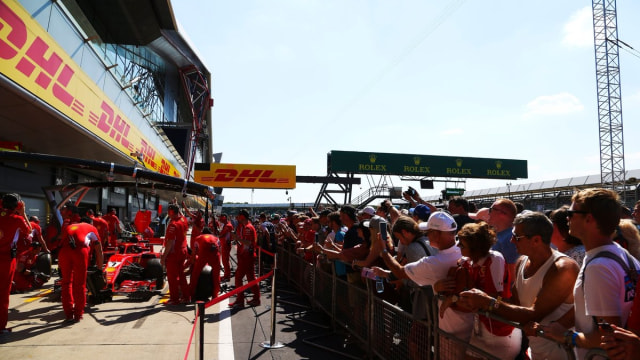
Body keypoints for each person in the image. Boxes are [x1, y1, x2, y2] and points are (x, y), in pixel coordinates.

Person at [459, 212, 580, 360]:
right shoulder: (521, 261)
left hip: (563, 353)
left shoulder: (563, 268)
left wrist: (487, 302)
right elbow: (514, 305)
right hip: (537, 349)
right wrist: (480, 301)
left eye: (516, 237)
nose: (511, 241)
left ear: (536, 240)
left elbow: (534, 314)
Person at [541, 188, 640, 359]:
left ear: (589, 219)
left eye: (571, 213)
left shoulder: (598, 267)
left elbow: (609, 335)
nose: (567, 218)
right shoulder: (621, 253)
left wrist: (566, 336)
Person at [372, 211, 473, 359]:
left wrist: (383, 250)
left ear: (437, 234)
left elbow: (400, 273)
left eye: (428, 231)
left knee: (418, 344)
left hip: (450, 327)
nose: (425, 234)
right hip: (470, 325)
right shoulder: (466, 251)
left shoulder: (434, 263)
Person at [441, 221, 520, 360]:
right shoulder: (466, 261)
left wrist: (455, 299)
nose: (458, 245)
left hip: (500, 330)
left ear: (475, 247)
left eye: (462, 244)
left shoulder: (494, 259)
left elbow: (493, 296)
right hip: (480, 327)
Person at [59, 217, 103, 323]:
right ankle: (78, 314)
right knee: (79, 284)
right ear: (91, 222)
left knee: (66, 283)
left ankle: (68, 315)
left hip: (63, 253)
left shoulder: (70, 226)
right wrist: (100, 268)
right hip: (79, 252)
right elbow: (99, 250)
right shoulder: (92, 228)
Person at [1, 193, 32, 333]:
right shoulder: (17, 219)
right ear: (17, 206)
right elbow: (29, 230)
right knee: (3, 294)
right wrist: (23, 213)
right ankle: (1, 327)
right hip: (6, 259)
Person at [229, 209, 260, 309]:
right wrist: (236, 238)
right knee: (251, 278)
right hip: (245, 256)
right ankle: (255, 299)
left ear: (242, 217)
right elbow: (242, 243)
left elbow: (248, 243)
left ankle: (240, 300)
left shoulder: (248, 228)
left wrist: (237, 238)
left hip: (247, 257)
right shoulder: (243, 226)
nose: (237, 218)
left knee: (239, 278)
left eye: (239, 216)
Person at [161, 204, 190, 305]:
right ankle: (186, 297)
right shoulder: (183, 220)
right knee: (181, 276)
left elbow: (170, 242)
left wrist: (164, 257)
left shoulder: (173, 224)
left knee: (172, 277)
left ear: (171, 212)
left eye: (169, 212)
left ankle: (174, 299)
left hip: (174, 253)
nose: (168, 214)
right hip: (183, 251)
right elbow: (182, 215)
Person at [488, 198, 519, 282]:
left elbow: (512, 274)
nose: (488, 212)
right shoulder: (500, 235)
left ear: (502, 214)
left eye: (491, 209)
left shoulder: (510, 238)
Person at [188, 228, 220, 300]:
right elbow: (219, 249)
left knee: (195, 275)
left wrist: (193, 261)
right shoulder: (216, 238)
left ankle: (191, 294)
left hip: (203, 255)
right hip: (215, 255)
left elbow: (194, 251)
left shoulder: (198, 238)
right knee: (216, 275)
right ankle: (215, 295)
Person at [217, 214, 234, 282]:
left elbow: (221, 234)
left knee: (225, 261)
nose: (220, 220)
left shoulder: (228, 225)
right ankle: (226, 275)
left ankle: (227, 276)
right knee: (224, 261)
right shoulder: (225, 224)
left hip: (226, 245)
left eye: (221, 218)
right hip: (224, 244)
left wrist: (219, 233)